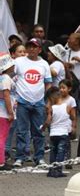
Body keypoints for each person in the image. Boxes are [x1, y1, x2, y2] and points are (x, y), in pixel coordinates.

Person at [13, 38, 52, 167]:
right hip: (22, 102)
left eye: (35, 47)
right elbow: (10, 76)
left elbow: (48, 84)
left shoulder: (44, 64)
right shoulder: (18, 61)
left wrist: (48, 101)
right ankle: (20, 157)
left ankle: (39, 157)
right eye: (29, 46)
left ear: (40, 49)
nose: (31, 49)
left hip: (39, 102)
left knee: (39, 131)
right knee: (21, 131)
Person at [43, 87, 75, 178]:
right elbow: (72, 117)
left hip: (53, 133)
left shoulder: (51, 108)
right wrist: (72, 125)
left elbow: (48, 121)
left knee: (53, 152)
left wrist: (43, 128)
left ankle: (51, 170)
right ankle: (58, 170)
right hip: (63, 133)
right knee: (61, 152)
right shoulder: (67, 107)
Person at [0, 53, 15, 171]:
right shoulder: (5, 79)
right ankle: (1, 162)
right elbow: (6, 95)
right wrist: (10, 112)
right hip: (3, 113)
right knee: (2, 137)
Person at [58, 79, 77, 167]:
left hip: (67, 125)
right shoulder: (57, 98)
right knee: (57, 143)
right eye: (60, 88)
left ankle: (67, 160)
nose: (61, 90)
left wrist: (73, 126)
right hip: (58, 125)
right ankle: (58, 161)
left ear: (69, 89)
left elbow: (73, 115)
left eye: (63, 88)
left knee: (66, 144)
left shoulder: (71, 100)